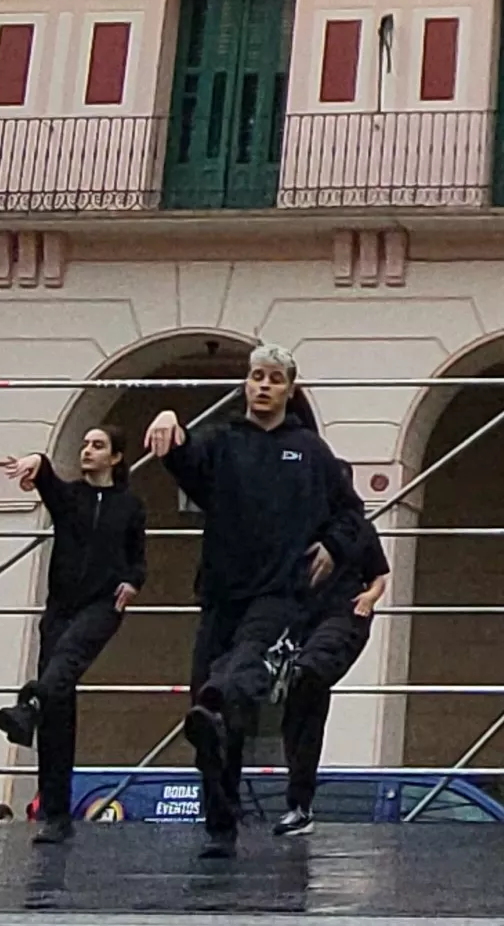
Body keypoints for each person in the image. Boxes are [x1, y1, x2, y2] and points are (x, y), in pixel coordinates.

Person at [143, 343, 364, 860]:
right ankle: (220, 823)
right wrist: (170, 423)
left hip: (280, 591)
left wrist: (332, 546)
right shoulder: (222, 440)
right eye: (257, 376)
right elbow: (187, 464)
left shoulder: (310, 450)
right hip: (221, 591)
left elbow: (351, 513)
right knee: (212, 715)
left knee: (237, 674)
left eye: (275, 379)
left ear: (290, 388)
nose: (264, 386)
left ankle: (216, 704)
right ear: (246, 383)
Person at [0, 426, 146, 846]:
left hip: (102, 606)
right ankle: (55, 814)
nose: (87, 451)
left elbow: (138, 559)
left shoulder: (130, 505)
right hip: (60, 609)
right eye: (85, 445)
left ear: (116, 457)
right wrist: (37, 462)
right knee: (58, 709)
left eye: (98, 446)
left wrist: (133, 582)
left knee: (61, 668)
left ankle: (29, 702)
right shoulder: (71, 498)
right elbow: (48, 481)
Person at [272, 479, 387, 838]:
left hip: (343, 615)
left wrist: (369, 598)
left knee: (311, 669)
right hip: (303, 622)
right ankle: (299, 804)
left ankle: (300, 804)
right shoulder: (299, 525)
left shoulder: (359, 529)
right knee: (302, 712)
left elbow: (379, 575)